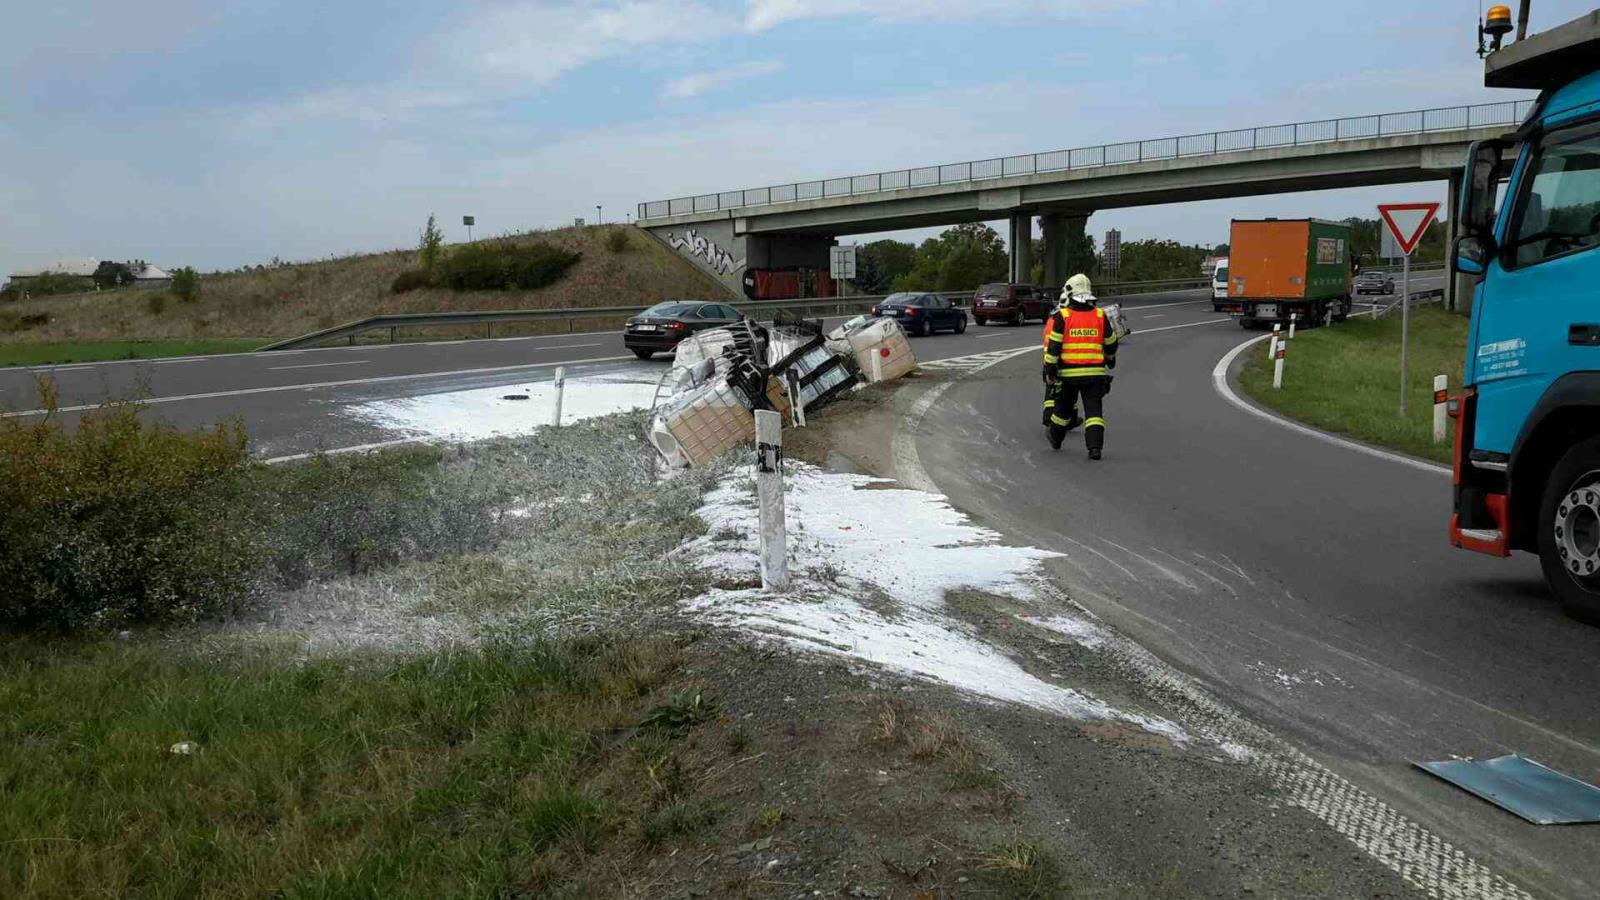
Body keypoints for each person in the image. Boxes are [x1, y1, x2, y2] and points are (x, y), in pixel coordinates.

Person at [1042, 273, 1118, 459]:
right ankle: (1095, 449)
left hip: (1068, 375)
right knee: (1094, 412)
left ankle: (1055, 438)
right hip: (1095, 374)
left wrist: (1050, 370)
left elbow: (1053, 348)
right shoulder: (1100, 315)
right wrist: (1109, 357)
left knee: (1062, 410)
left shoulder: (1063, 316)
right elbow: (1111, 343)